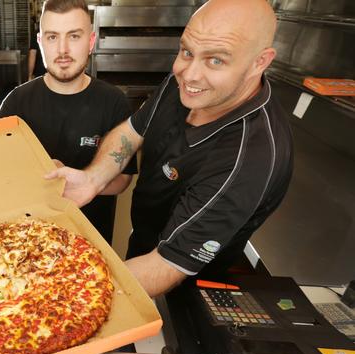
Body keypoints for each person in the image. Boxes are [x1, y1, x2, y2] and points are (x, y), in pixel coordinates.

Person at [46, 0, 293, 297]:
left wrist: (53, 292)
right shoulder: (185, 84)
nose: (189, 75)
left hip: (184, 287)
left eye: (216, 60)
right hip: (142, 247)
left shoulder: (249, 157)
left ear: (260, 62)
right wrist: (92, 179)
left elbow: (166, 266)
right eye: (187, 51)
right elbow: (133, 130)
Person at [0, 0, 135, 244]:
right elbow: (0, 174)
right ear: (40, 43)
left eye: (73, 36)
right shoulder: (15, 103)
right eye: (52, 37)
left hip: (91, 242)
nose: (62, 50)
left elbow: (123, 179)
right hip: (24, 243)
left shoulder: (114, 102)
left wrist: (80, 181)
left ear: (91, 42)